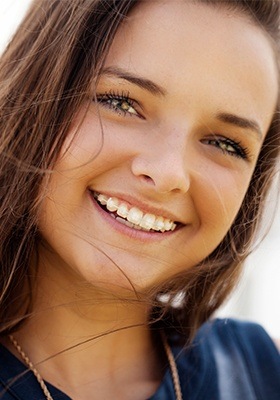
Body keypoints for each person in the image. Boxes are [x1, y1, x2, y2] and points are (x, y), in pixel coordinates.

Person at [0, 0, 279, 399]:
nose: (169, 173)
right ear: (36, 93)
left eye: (224, 143)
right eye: (122, 103)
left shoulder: (262, 377)